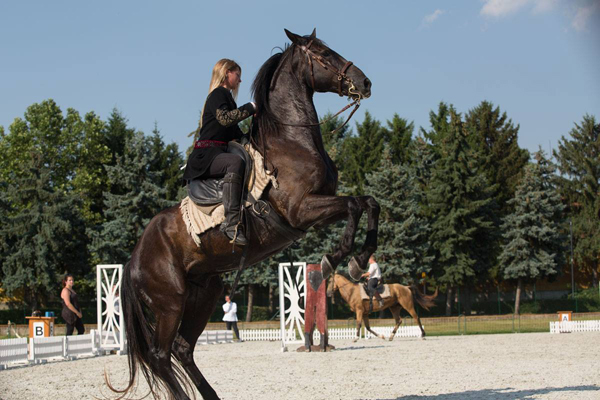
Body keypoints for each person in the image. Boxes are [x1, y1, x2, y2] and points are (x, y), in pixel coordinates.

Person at [183, 58, 257, 246]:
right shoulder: (218, 94)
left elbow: (235, 134)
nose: (240, 80)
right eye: (237, 75)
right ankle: (231, 222)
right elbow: (225, 120)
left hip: (215, 153)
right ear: (227, 73)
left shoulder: (228, 99)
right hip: (205, 156)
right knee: (235, 162)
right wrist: (251, 107)